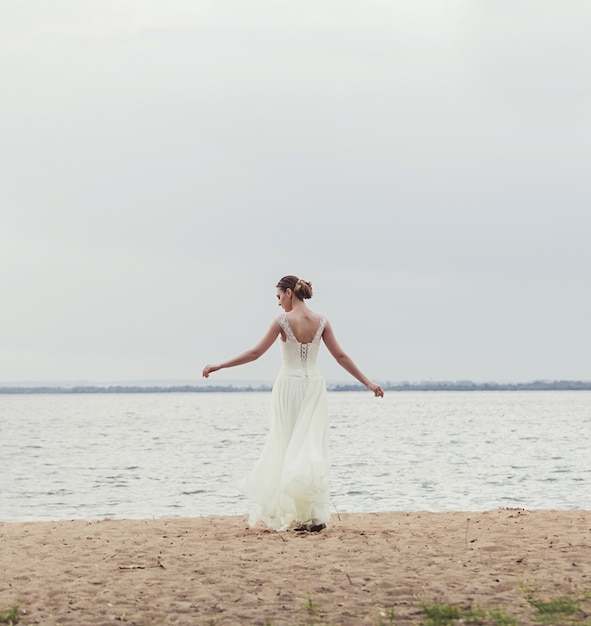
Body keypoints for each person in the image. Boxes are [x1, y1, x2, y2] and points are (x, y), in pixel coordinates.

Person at [202, 275, 383, 532]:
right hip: (314, 387)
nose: (278, 303)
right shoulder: (322, 321)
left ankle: (298, 515)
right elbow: (341, 356)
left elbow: (255, 353)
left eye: (278, 297)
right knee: (309, 447)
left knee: (287, 446)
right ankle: (311, 516)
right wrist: (368, 383)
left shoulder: (282, 321)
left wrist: (220, 364)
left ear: (288, 293)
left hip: (288, 386)